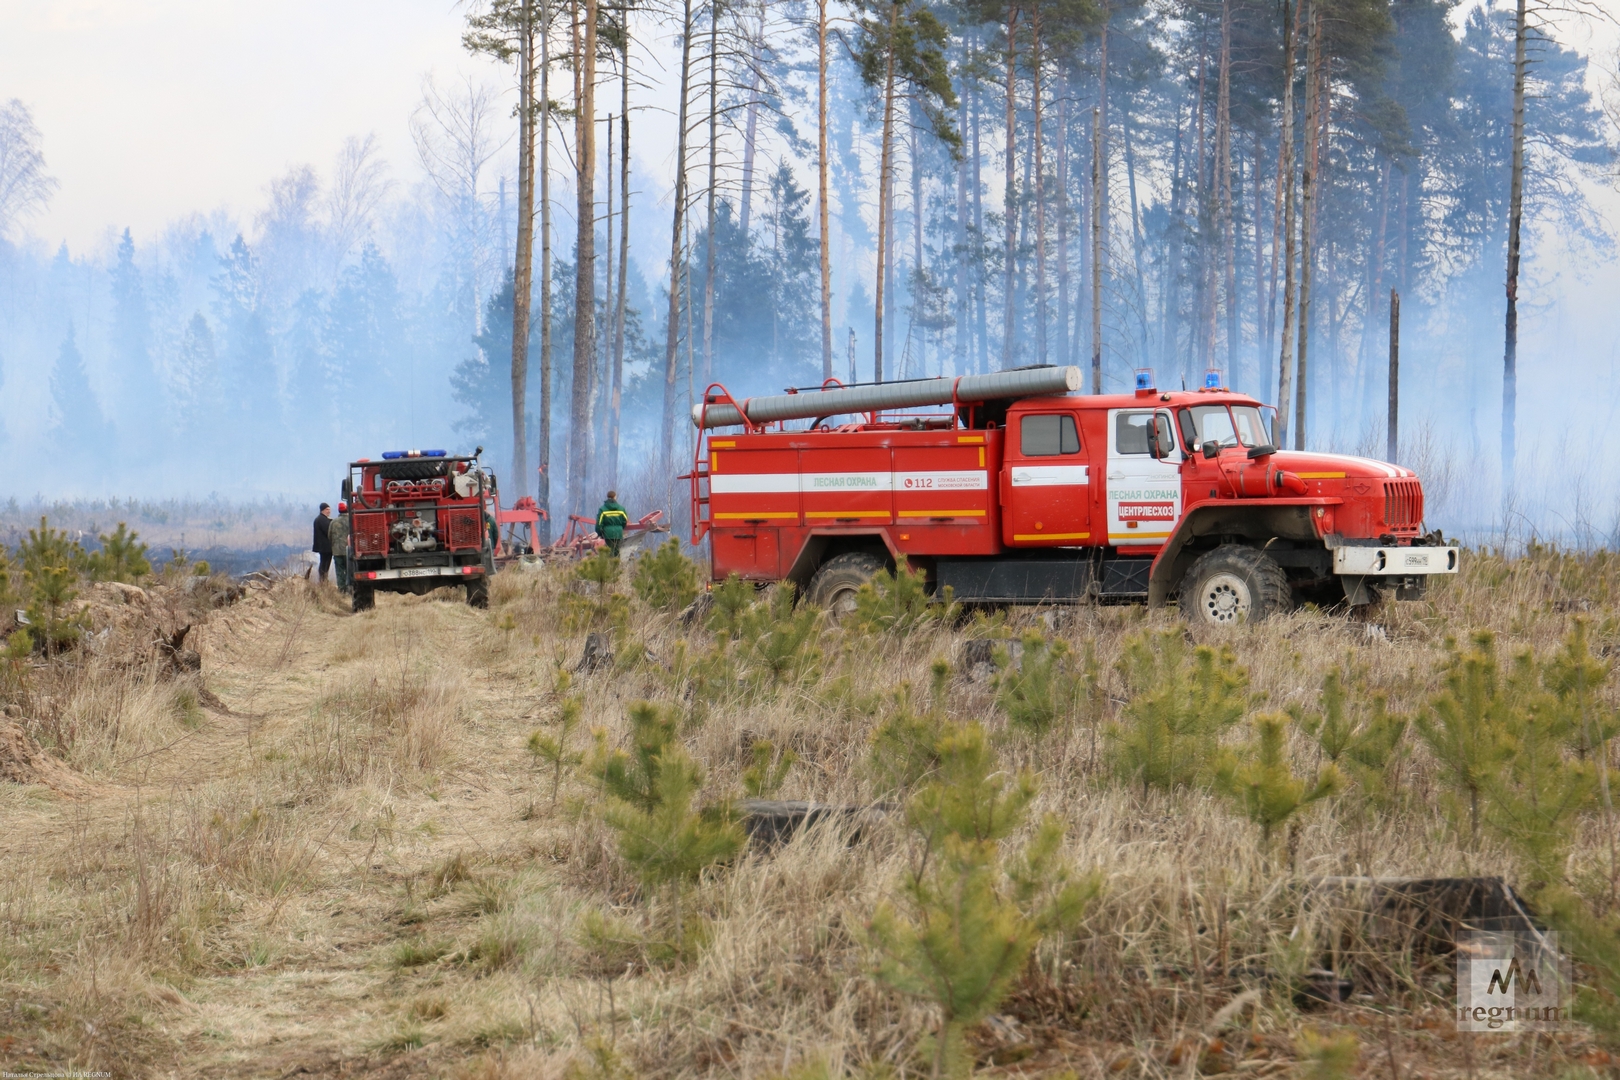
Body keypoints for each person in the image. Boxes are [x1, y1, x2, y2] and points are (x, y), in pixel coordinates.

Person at [595, 490, 629, 557]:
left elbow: (599, 523)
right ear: (615, 497)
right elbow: (625, 521)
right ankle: (617, 565)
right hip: (618, 533)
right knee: (617, 551)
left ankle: (610, 565)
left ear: (607, 497)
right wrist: (620, 528)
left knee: (609, 551)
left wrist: (600, 533)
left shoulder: (602, 509)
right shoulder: (621, 509)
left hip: (608, 533)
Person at [329, 502, 351, 594]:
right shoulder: (351, 520)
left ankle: (341, 590)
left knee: (340, 571)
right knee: (350, 571)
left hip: (337, 551)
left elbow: (329, 536)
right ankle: (350, 589)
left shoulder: (333, 522)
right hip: (349, 550)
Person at [312, 502, 333, 583]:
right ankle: (323, 580)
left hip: (323, 547)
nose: (329, 511)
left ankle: (323, 579)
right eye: (327, 509)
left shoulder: (320, 519)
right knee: (325, 564)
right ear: (322, 510)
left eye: (329, 510)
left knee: (323, 563)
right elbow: (328, 531)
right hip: (325, 547)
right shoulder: (322, 520)